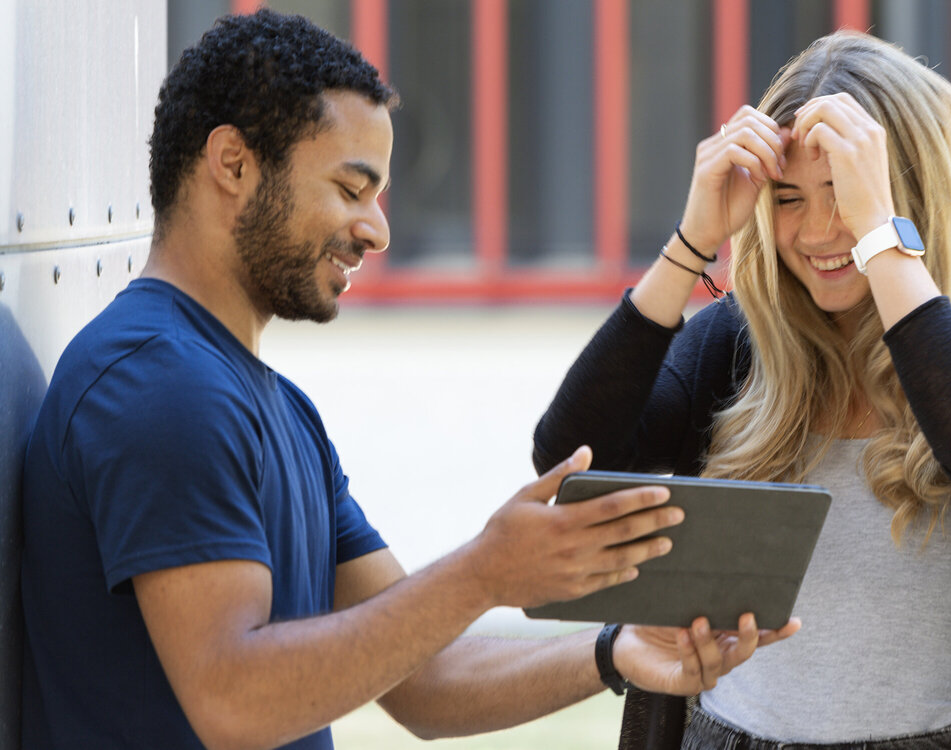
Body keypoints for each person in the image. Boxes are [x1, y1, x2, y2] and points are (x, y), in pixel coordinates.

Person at [19, 10, 800, 750]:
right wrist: (485, 571)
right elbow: (233, 698)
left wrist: (615, 651)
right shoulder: (157, 386)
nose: (378, 230)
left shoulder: (269, 405)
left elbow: (426, 678)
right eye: (351, 189)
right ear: (233, 165)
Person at [533, 30, 951, 750]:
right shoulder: (731, 343)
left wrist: (880, 235)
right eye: (787, 198)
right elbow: (572, 456)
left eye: (844, 195)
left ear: (907, 195)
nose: (818, 231)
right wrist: (692, 241)